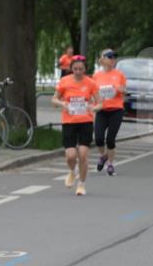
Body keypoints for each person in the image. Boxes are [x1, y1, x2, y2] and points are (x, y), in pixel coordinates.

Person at [53, 55, 102, 196]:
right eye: (75, 69)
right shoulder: (64, 81)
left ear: (85, 69)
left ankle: (81, 184)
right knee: (71, 156)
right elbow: (54, 99)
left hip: (85, 121)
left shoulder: (91, 83)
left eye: (81, 69)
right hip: (69, 122)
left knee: (83, 155)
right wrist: (63, 103)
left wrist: (94, 108)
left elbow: (100, 103)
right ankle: (72, 171)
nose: (78, 71)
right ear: (71, 69)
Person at [92, 49, 127, 175]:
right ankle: (103, 156)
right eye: (110, 57)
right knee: (99, 139)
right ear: (102, 60)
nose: (113, 59)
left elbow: (124, 90)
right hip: (102, 110)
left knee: (110, 140)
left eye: (114, 57)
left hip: (116, 110)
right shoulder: (96, 76)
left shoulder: (119, 75)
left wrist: (117, 88)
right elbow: (93, 93)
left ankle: (110, 164)